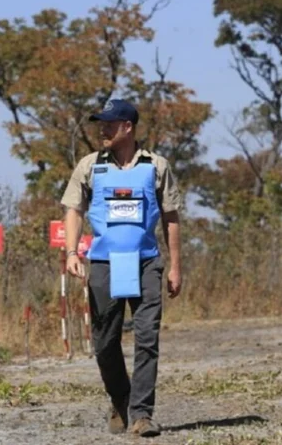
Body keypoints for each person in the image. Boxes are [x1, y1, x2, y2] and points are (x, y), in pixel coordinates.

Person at [60, 98, 183, 438]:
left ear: (127, 127)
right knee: (104, 341)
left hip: (146, 263)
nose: (102, 129)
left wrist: (175, 267)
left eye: (109, 124)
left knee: (147, 339)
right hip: (103, 264)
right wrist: (71, 251)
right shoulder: (90, 166)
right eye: (101, 123)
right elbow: (73, 209)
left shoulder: (156, 166)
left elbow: (172, 218)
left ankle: (142, 414)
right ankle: (120, 397)